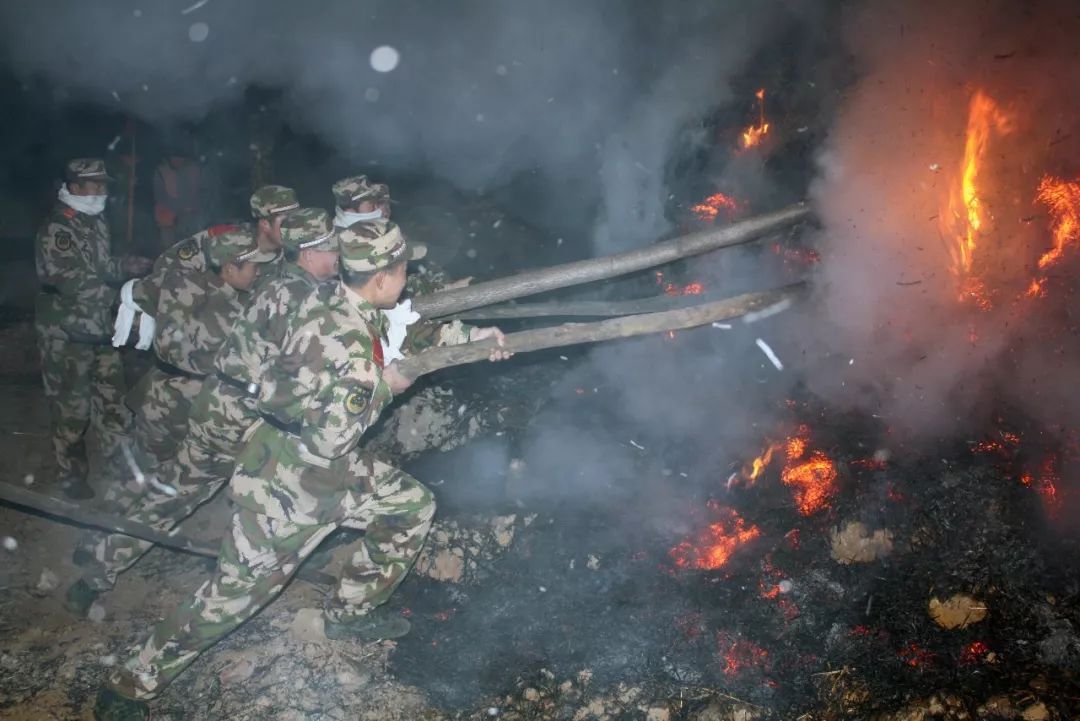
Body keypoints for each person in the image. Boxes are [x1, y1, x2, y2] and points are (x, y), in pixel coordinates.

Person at [95, 220, 510, 717]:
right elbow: (332, 437)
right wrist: (385, 386)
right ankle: (130, 682)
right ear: (382, 277)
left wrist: (472, 337)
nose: (408, 279)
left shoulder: (333, 299)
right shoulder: (352, 350)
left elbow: (402, 329)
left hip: (320, 466)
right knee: (230, 599)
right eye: (404, 271)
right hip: (289, 485)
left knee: (411, 505)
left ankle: (350, 610)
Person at [65, 209, 339, 614]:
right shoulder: (288, 296)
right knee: (174, 489)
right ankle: (102, 570)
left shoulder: (277, 287)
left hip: (226, 409)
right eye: (332, 249)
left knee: (173, 490)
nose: (337, 257)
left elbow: (145, 292)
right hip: (231, 416)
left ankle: (97, 567)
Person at [34, 158, 151, 500]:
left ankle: (123, 469)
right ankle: (70, 475)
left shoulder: (95, 220)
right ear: (74, 186)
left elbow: (99, 267)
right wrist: (124, 297)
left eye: (104, 184)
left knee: (114, 400)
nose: (102, 191)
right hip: (66, 331)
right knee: (72, 408)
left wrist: (125, 266)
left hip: (99, 328)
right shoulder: (58, 228)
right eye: (95, 184)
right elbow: (73, 281)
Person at [112, 184, 298, 352]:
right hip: (199, 332)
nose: (296, 227)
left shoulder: (292, 254)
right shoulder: (228, 242)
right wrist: (153, 300)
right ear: (265, 224)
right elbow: (170, 264)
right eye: (287, 221)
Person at [331, 175, 470, 295]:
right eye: (371, 204)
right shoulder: (333, 244)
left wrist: (446, 288)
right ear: (351, 208)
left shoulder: (381, 232)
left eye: (377, 203)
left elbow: (404, 277)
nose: (378, 209)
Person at [152, 138, 203, 251]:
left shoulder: (192, 169)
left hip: (188, 218)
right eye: (174, 157)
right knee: (169, 250)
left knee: (188, 249)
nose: (176, 160)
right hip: (167, 217)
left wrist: (186, 210)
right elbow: (159, 195)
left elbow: (195, 193)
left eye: (179, 158)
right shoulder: (162, 170)